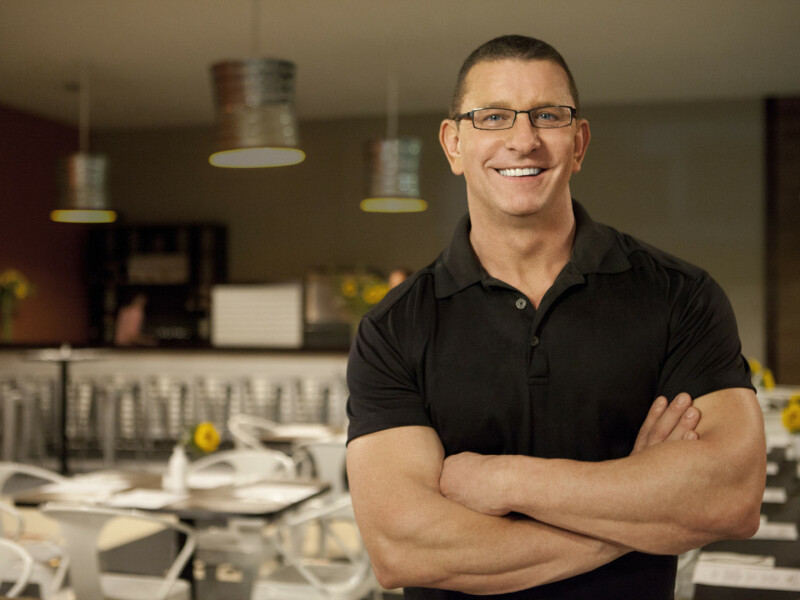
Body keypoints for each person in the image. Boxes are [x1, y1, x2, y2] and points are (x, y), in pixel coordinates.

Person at [345, 35, 766, 600]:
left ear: (579, 142)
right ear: (453, 144)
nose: (524, 140)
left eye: (548, 115)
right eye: (493, 117)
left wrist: (503, 479)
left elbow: (731, 499)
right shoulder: (392, 329)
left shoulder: (680, 296)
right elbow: (403, 550)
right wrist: (645, 513)